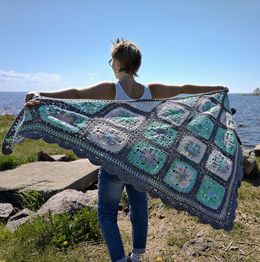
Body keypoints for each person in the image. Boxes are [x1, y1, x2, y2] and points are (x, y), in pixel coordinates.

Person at [25, 38, 228, 262]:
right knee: (139, 207)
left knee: (106, 213)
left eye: (111, 60)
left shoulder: (111, 89)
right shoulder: (152, 90)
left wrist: (40, 94)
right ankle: (137, 256)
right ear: (137, 66)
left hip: (114, 162)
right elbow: (183, 89)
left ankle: (120, 260)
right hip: (142, 161)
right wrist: (215, 89)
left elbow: (75, 93)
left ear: (117, 63)